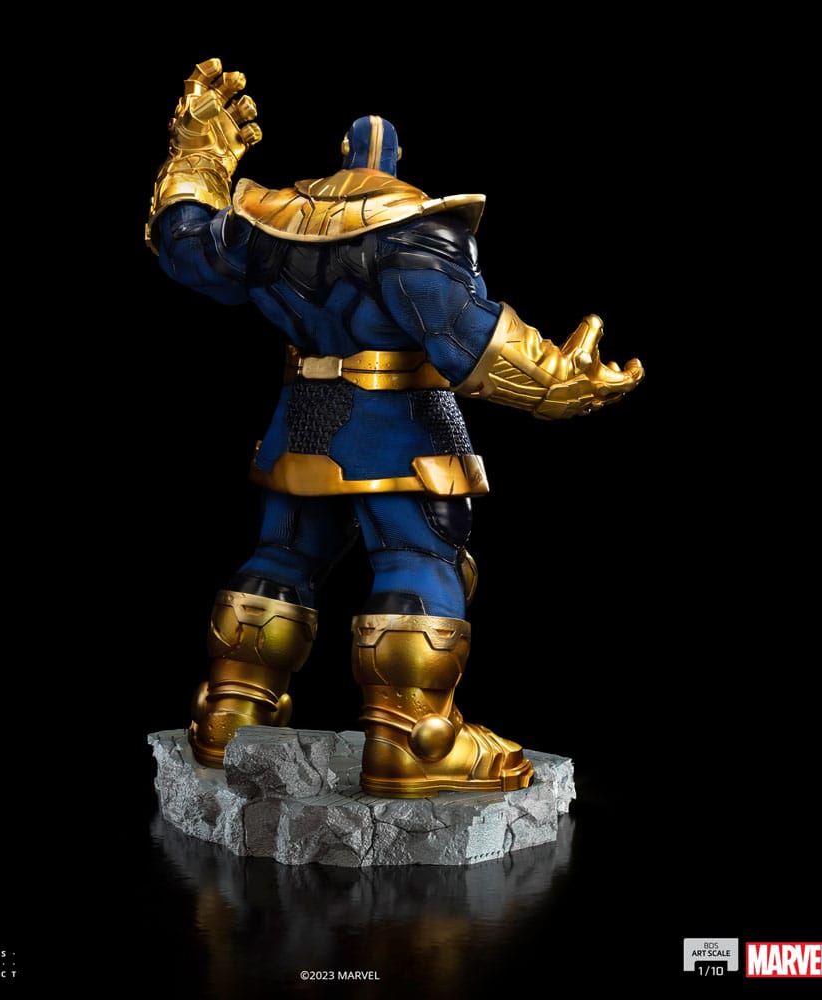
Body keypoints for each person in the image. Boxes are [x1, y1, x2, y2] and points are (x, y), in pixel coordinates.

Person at [145, 59, 643, 798]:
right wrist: (558, 382)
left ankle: (230, 711)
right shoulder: (414, 233)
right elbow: (462, 337)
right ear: (394, 162)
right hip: (400, 429)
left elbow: (183, 243)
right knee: (418, 556)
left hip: (302, 425)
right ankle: (412, 738)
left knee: (282, 554)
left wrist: (198, 154)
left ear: (345, 157)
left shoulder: (268, 228)